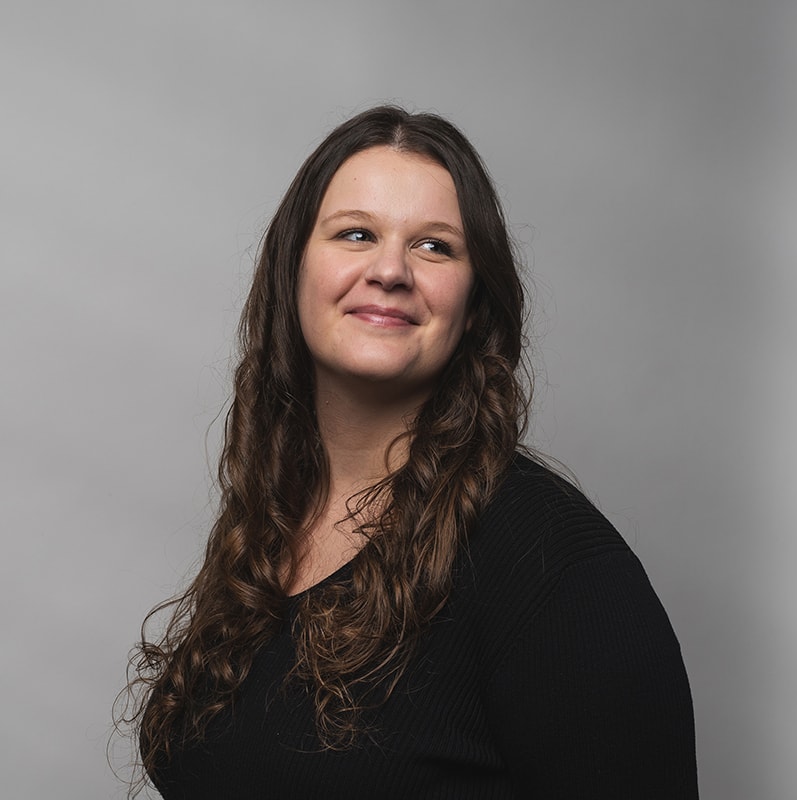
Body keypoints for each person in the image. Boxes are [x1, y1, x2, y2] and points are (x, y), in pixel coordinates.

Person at [124, 105, 698, 798]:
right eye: (356, 233)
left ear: (474, 302)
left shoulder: (557, 569)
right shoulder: (275, 514)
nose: (390, 269)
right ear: (292, 270)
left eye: (434, 247)